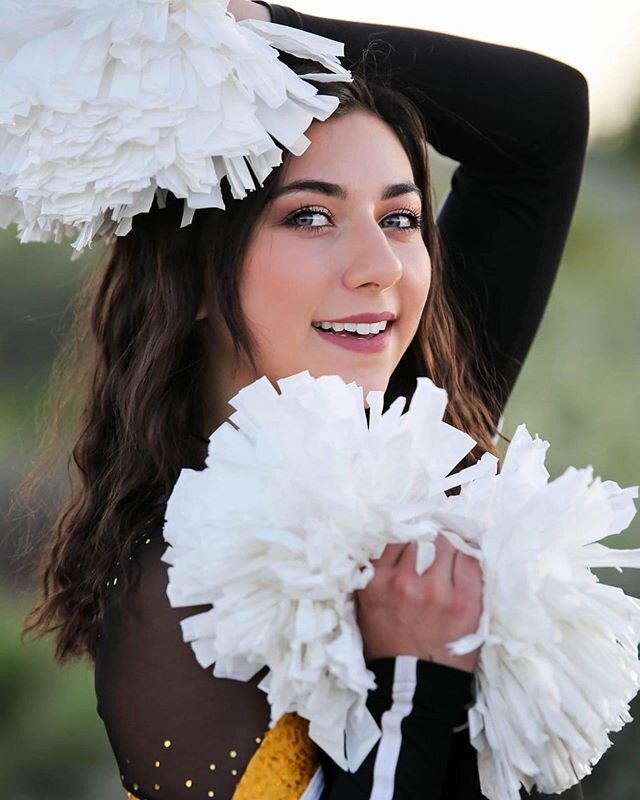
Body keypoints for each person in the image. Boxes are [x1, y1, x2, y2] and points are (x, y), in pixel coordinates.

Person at [19, 0, 589, 797]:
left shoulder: (420, 424)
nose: (381, 266)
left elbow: (544, 124)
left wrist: (263, 30)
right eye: (311, 215)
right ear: (192, 281)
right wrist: (413, 679)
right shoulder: (179, 595)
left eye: (400, 217)